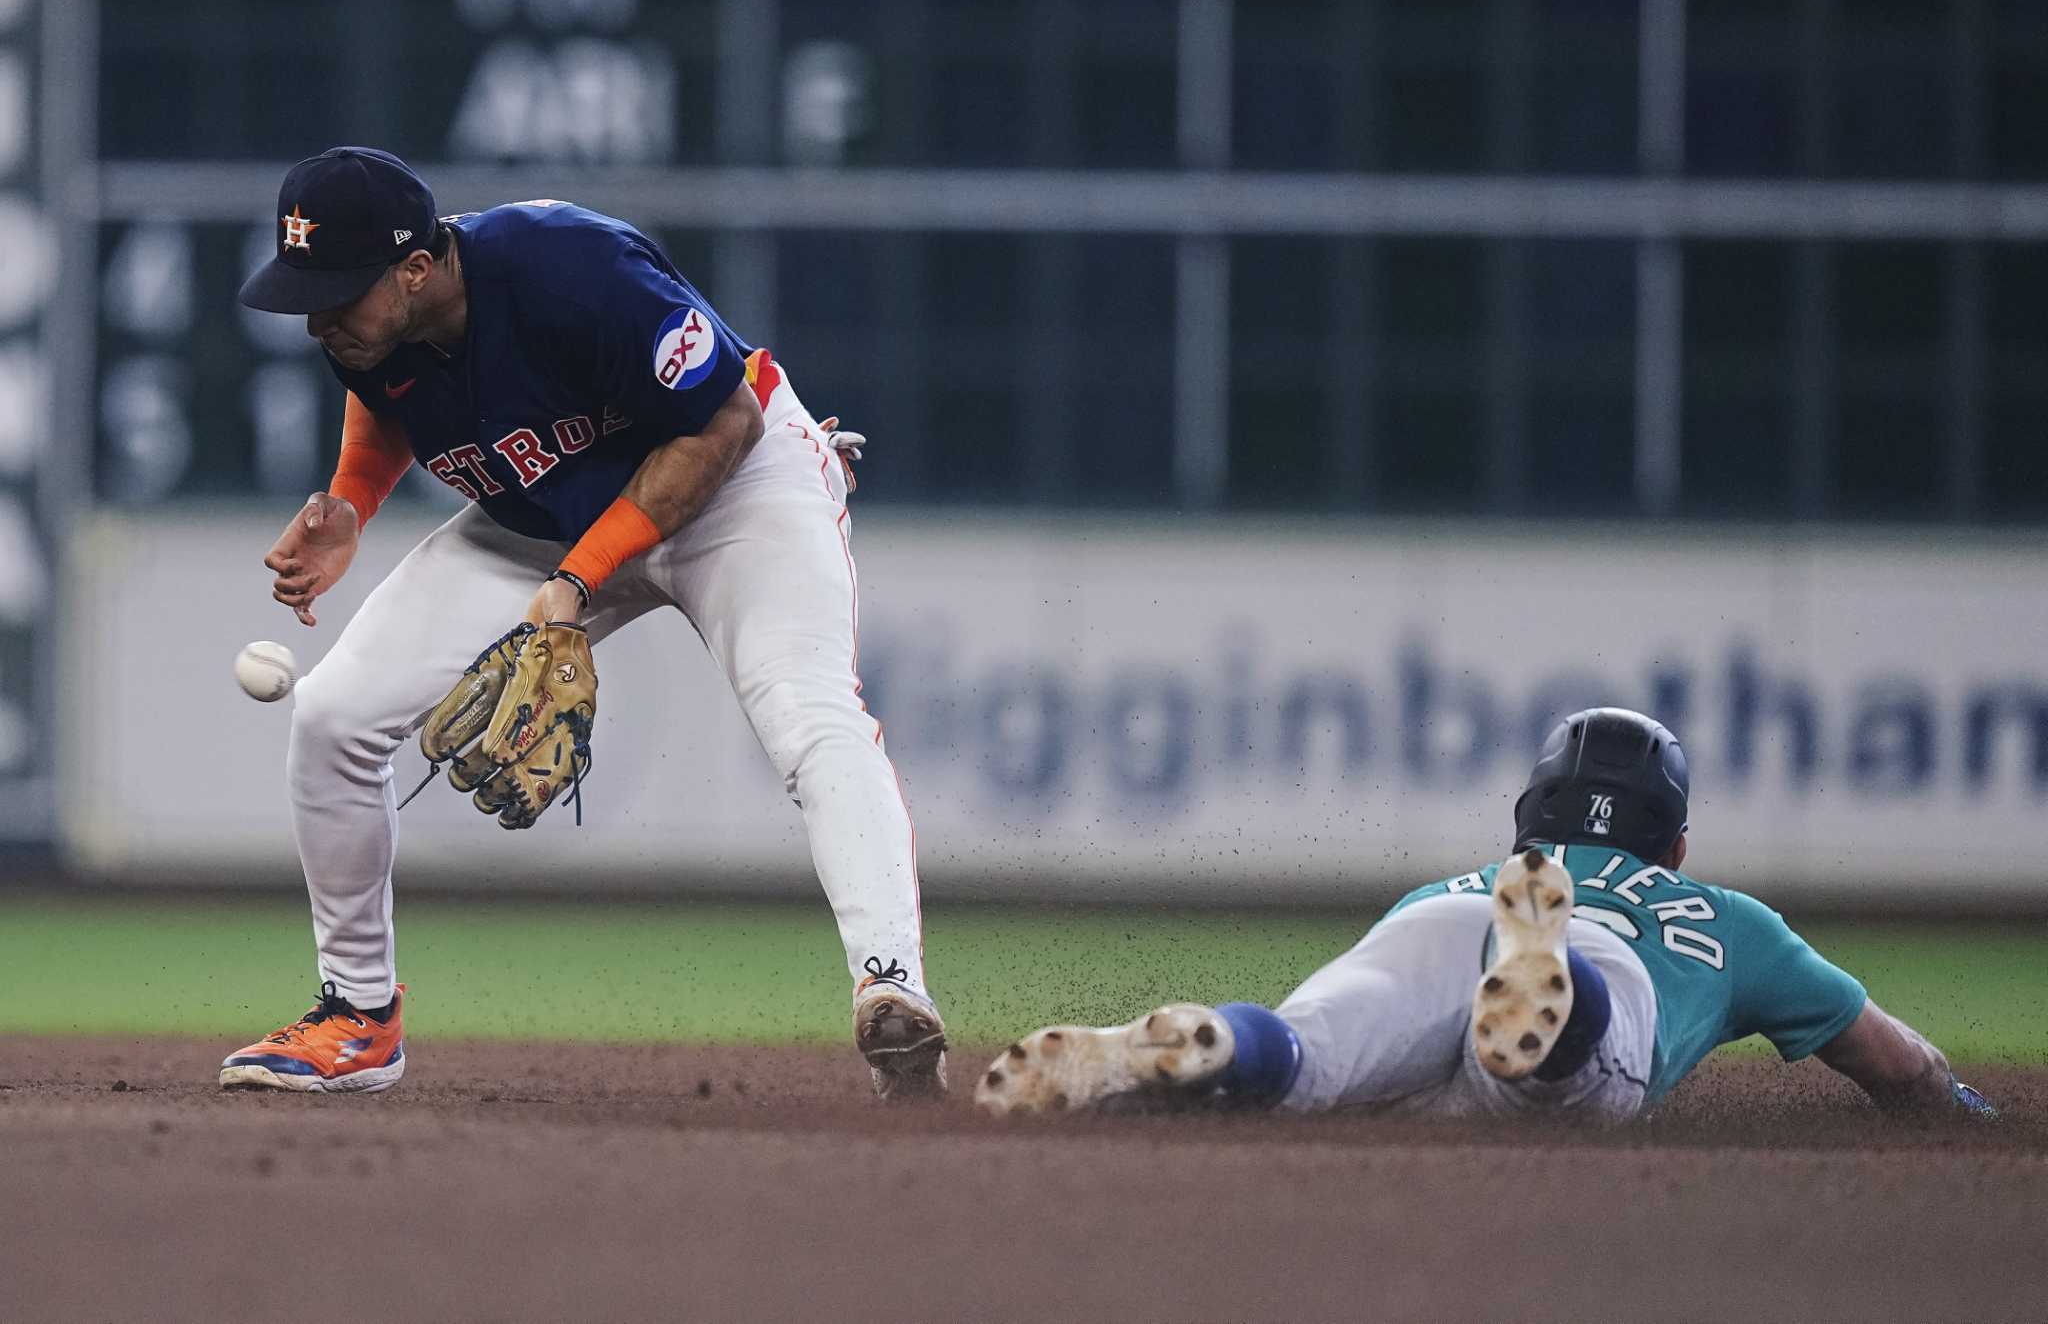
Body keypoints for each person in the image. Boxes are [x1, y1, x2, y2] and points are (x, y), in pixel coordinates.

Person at [219, 147, 943, 1099]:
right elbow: (390, 398)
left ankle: (891, 988)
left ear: (417, 269)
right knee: (333, 719)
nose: (320, 318)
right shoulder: (367, 326)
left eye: (339, 293)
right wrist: (351, 503)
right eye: (309, 292)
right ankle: (357, 1019)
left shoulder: (569, 265)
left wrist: (578, 579)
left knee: (810, 719)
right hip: (546, 518)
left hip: (735, 482)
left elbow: (721, 423)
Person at [975, 708, 1995, 1121]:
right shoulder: (1721, 916)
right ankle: (1559, 986)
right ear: (1674, 846)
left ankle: (1210, 1045)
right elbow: (1894, 1063)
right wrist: (1962, 1117)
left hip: (1437, 929)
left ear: (1528, 821)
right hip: (1604, 958)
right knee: (1562, 1082)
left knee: (1303, 1054)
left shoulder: (1435, 886)